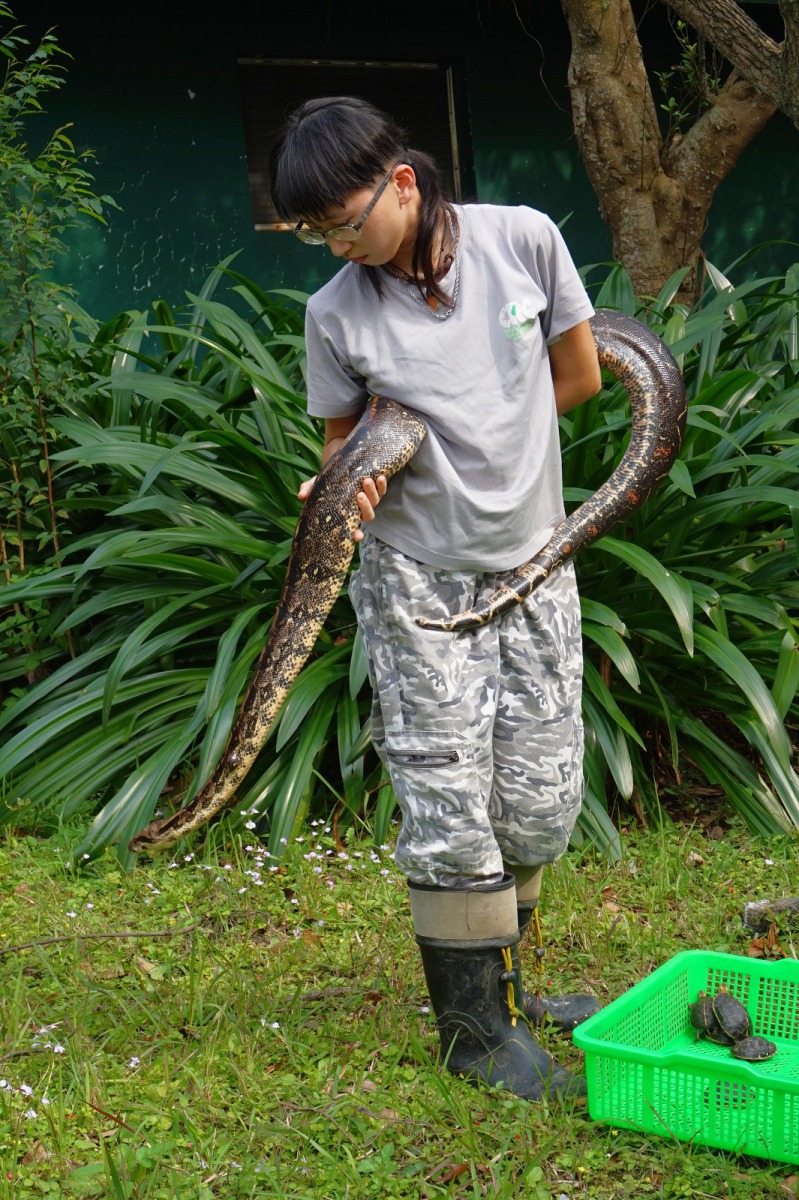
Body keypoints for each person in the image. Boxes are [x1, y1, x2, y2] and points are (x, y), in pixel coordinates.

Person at [269, 96, 602, 1102]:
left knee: (539, 802)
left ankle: (509, 992)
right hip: (416, 574)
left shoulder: (523, 241)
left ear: (403, 183)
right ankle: (473, 1033)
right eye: (315, 233)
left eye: (344, 222)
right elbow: (341, 449)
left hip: (533, 560)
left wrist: (492, 438)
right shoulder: (335, 314)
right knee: (450, 800)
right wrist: (341, 484)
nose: (337, 247)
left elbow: (578, 377)